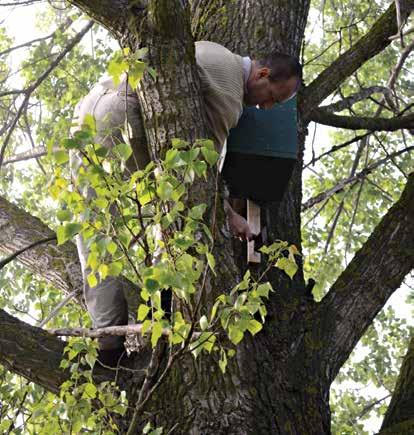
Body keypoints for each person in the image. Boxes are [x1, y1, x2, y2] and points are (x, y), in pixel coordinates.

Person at [71, 41, 302, 365]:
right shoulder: (230, 92)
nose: (265, 108)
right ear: (262, 74)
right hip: (121, 120)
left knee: (95, 228)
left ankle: (107, 339)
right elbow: (200, 178)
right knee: (176, 212)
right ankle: (149, 319)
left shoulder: (213, 50)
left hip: (88, 113)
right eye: (272, 97)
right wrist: (231, 217)